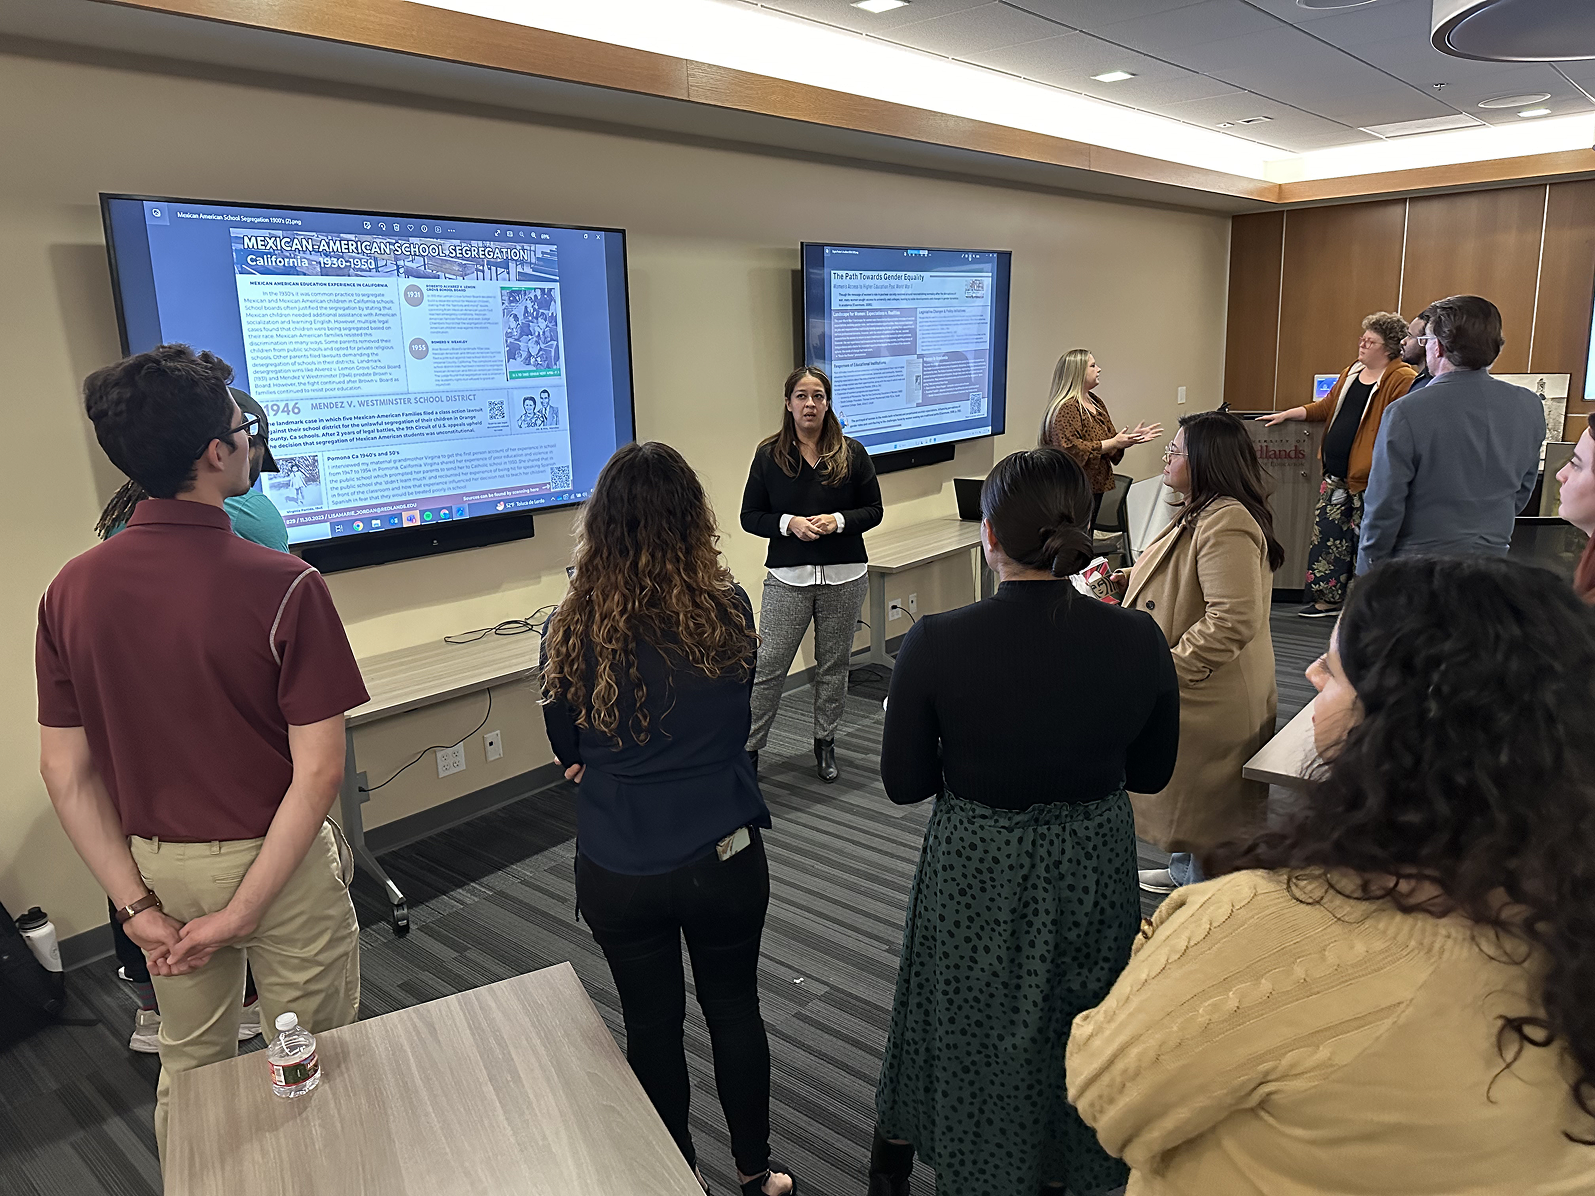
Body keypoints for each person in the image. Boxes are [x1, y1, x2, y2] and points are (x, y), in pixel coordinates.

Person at [1067, 555, 1595, 1194]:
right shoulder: (1564, 917)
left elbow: (1104, 1093)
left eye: (1337, 671)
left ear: (1396, 731)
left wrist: (1174, 942)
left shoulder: (1264, 929)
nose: (1311, 672)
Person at [35, 344, 368, 1161]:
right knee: (315, 1054)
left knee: (189, 1067)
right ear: (217, 452)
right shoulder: (286, 584)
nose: (252, 443)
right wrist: (246, 909)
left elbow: (64, 772)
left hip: (156, 871)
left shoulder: (68, 590)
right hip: (278, 865)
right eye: (241, 430)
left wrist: (136, 909)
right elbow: (319, 771)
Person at [868, 448, 1180, 1196]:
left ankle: (960, 1157)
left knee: (964, 1016)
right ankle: (1067, 1164)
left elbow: (904, 785)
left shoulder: (934, 642)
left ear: (989, 536)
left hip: (978, 862)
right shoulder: (1137, 638)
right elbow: (1150, 774)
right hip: (1092, 862)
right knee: (1082, 1014)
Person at [541, 442, 796, 1196]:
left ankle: (677, 1180)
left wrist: (609, 759)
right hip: (724, 850)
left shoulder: (569, 627)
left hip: (621, 862)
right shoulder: (729, 609)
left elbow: (567, 751)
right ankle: (755, 1173)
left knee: (650, 1028)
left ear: (600, 527)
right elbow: (739, 716)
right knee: (735, 1009)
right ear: (694, 522)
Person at [93, 386, 287, 1053]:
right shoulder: (255, 518)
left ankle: (155, 1007)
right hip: (226, 775)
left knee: (190, 1049)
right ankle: (252, 1002)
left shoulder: (107, 544)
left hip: (142, 780)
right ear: (219, 449)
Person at [1124, 410, 1282, 894]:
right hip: (1201, 685)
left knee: (1211, 813)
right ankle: (1183, 875)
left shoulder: (1226, 520)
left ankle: (1205, 900)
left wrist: (1166, 670)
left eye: (1174, 451)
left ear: (1206, 461)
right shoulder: (1201, 508)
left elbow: (1232, 619)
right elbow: (1175, 576)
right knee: (1194, 805)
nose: (1166, 457)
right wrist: (1122, 580)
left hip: (1211, 690)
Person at [741, 366, 882, 784]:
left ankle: (825, 742)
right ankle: (749, 751)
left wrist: (838, 520)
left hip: (845, 575)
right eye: (801, 396)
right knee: (769, 666)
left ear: (827, 403)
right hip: (789, 578)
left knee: (833, 665)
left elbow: (874, 510)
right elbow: (750, 516)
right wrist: (789, 524)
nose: (810, 404)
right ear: (788, 404)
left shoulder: (851, 453)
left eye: (818, 396)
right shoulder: (769, 456)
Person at [1357, 295, 1545, 574]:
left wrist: (1368, 569)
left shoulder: (1406, 411)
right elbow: (1522, 491)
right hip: (1493, 562)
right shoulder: (1529, 405)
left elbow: (1384, 504)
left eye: (1426, 340)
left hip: (1418, 567)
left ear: (1440, 347)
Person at [1259, 312, 1415, 617]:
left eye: (1370, 341)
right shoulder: (1352, 372)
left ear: (1389, 348)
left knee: (1365, 544)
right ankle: (1327, 599)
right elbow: (1326, 407)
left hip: (1370, 479)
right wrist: (1290, 413)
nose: (1362, 344)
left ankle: (1362, 605)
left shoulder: (1401, 378)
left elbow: (1398, 426)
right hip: (1335, 477)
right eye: (1362, 338)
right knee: (1329, 539)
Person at [1038, 349, 1161, 530]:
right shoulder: (1067, 408)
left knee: (1087, 535)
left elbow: (1109, 439)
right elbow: (1070, 450)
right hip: (1073, 489)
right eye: (1093, 366)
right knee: (1075, 536)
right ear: (1078, 372)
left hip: (1095, 486)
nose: (1099, 369)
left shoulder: (1095, 402)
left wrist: (1129, 439)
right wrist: (1113, 443)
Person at [1401, 305, 1436, 393]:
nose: (1403, 342)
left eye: (1410, 336)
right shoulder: (1421, 380)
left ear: (1425, 340)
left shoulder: (1430, 385)